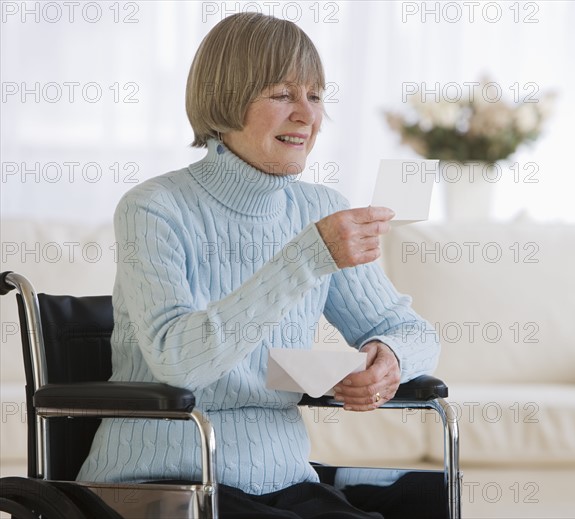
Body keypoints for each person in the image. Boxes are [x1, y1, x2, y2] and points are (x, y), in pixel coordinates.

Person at [77, 12, 440, 518]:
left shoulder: (318, 210)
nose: (307, 116)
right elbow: (180, 363)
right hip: (169, 479)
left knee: (432, 497)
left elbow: (412, 329)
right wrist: (308, 257)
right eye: (282, 94)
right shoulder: (154, 208)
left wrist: (389, 358)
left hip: (283, 478)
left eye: (315, 96)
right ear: (224, 101)